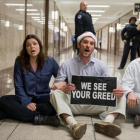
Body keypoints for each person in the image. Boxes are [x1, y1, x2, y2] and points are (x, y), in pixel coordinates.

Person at [50, 32, 126, 139]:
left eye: (91, 43)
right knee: (54, 93)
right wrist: (64, 88)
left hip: (95, 104)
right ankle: (73, 125)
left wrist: (118, 88)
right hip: (74, 104)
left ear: (93, 47)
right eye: (85, 42)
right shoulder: (66, 64)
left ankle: (107, 123)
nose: (88, 45)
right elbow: (57, 85)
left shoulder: (101, 65)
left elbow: (112, 83)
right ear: (78, 45)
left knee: (122, 95)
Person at [0, 34, 60, 127]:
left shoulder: (50, 61)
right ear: (25, 49)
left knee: (51, 109)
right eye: (28, 45)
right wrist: (26, 102)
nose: (32, 46)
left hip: (43, 98)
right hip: (25, 97)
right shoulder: (19, 61)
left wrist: (60, 86)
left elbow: (61, 78)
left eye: (35, 43)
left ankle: (11, 112)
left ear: (39, 46)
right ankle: (40, 119)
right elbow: (18, 85)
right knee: (3, 100)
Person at [121, 58, 140, 127]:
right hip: (137, 100)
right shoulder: (134, 64)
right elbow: (125, 84)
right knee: (124, 100)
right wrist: (130, 93)